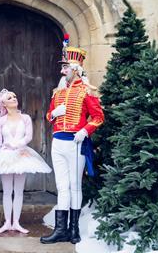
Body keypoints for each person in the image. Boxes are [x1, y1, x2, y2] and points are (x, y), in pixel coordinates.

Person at [40, 36, 104, 245]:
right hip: (58, 142)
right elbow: (48, 117)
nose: (62, 71)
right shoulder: (57, 93)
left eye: (65, 67)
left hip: (76, 143)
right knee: (62, 187)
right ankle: (61, 230)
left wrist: (85, 131)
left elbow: (98, 117)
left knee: (75, 186)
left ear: (75, 68)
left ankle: (74, 230)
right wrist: (55, 113)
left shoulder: (87, 91)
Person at [0, 89, 51, 234]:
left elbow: (28, 137)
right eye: (10, 98)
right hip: (5, 156)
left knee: (19, 191)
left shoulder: (26, 118)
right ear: (3, 103)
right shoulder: (0, 121)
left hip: (22, 154)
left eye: (15, 96)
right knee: (7, 191)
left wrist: (16, 145)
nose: (14, 99)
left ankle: (16, 222)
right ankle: (7, 223)